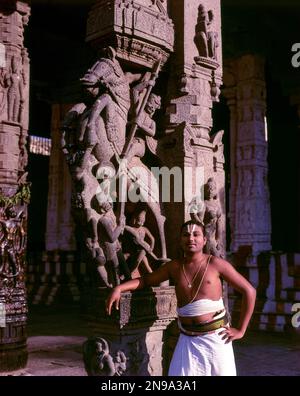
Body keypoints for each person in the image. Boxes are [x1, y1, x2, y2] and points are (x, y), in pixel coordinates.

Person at [106, 219, 256, 376]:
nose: (190, 239)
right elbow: (145, 280)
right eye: (186, 235)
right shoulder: (174, 267)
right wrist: (119, 288)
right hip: (187, 340)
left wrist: (241, 330)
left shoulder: (216, 264)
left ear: (204, 240)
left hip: (216, 339)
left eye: (196, 235)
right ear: (180, 240)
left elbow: (249, 291)